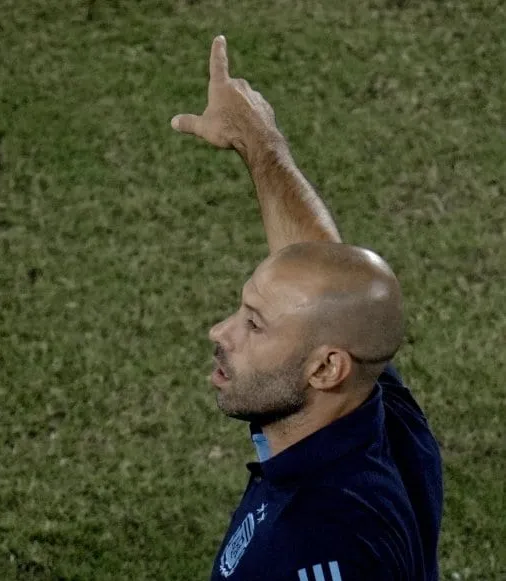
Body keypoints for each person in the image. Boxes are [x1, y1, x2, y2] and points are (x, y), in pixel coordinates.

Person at [171, 36, 443, 581]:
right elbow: (323, 278)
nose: (220, 331)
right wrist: (258, 142)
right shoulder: (376, 410)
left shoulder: (317, 546)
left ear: (325, 369)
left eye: (254, 324)